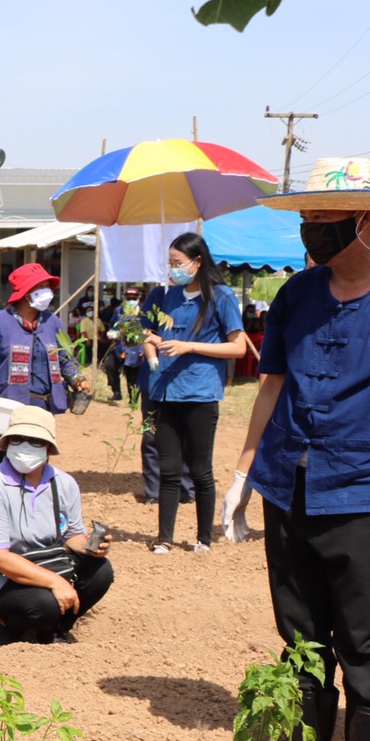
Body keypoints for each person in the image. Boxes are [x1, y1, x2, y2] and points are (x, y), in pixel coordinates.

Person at [223, 156, 370, 741]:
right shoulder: (295, 297)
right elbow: (271, 384)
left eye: (323, 220)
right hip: (289, 483)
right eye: (305, 219)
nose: (310, 232)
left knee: (361, 636)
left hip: (366, 488)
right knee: (300, 635)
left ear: (367, 220)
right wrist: (245, 472)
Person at [0, 406, 114, 647]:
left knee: (101, 571)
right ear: (7, 442)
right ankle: (5, 627)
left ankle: (55, 628)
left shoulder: (64, 483)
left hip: (46, 563)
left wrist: (91, 547)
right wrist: (57, 583)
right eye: (18, 438)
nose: (24, 446)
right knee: (43, 603)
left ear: (48, 448)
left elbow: (71, 536)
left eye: (34, 440)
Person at [141, 233, 246, 553]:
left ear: (198, 263)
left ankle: (203, 538)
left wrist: (190, 346)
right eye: (170, 263)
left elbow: (238, 347)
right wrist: (152, 350)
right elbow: (147, 332)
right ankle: (164, 538)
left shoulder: (221, 297)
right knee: (168, 469)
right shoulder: (165, 296)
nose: (173, 269)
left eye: (178, 263)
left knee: (200, 469)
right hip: (164, 392)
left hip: (200, 394)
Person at [0, 263, 90, 467]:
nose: (47, 291)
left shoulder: (53, 322)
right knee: (5, 466)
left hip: (42, 407)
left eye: (47, 286)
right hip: (8, 408)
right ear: (25, 293)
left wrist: (78, 378)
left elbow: (64, 358)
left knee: (37, 464)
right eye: (40, 286)